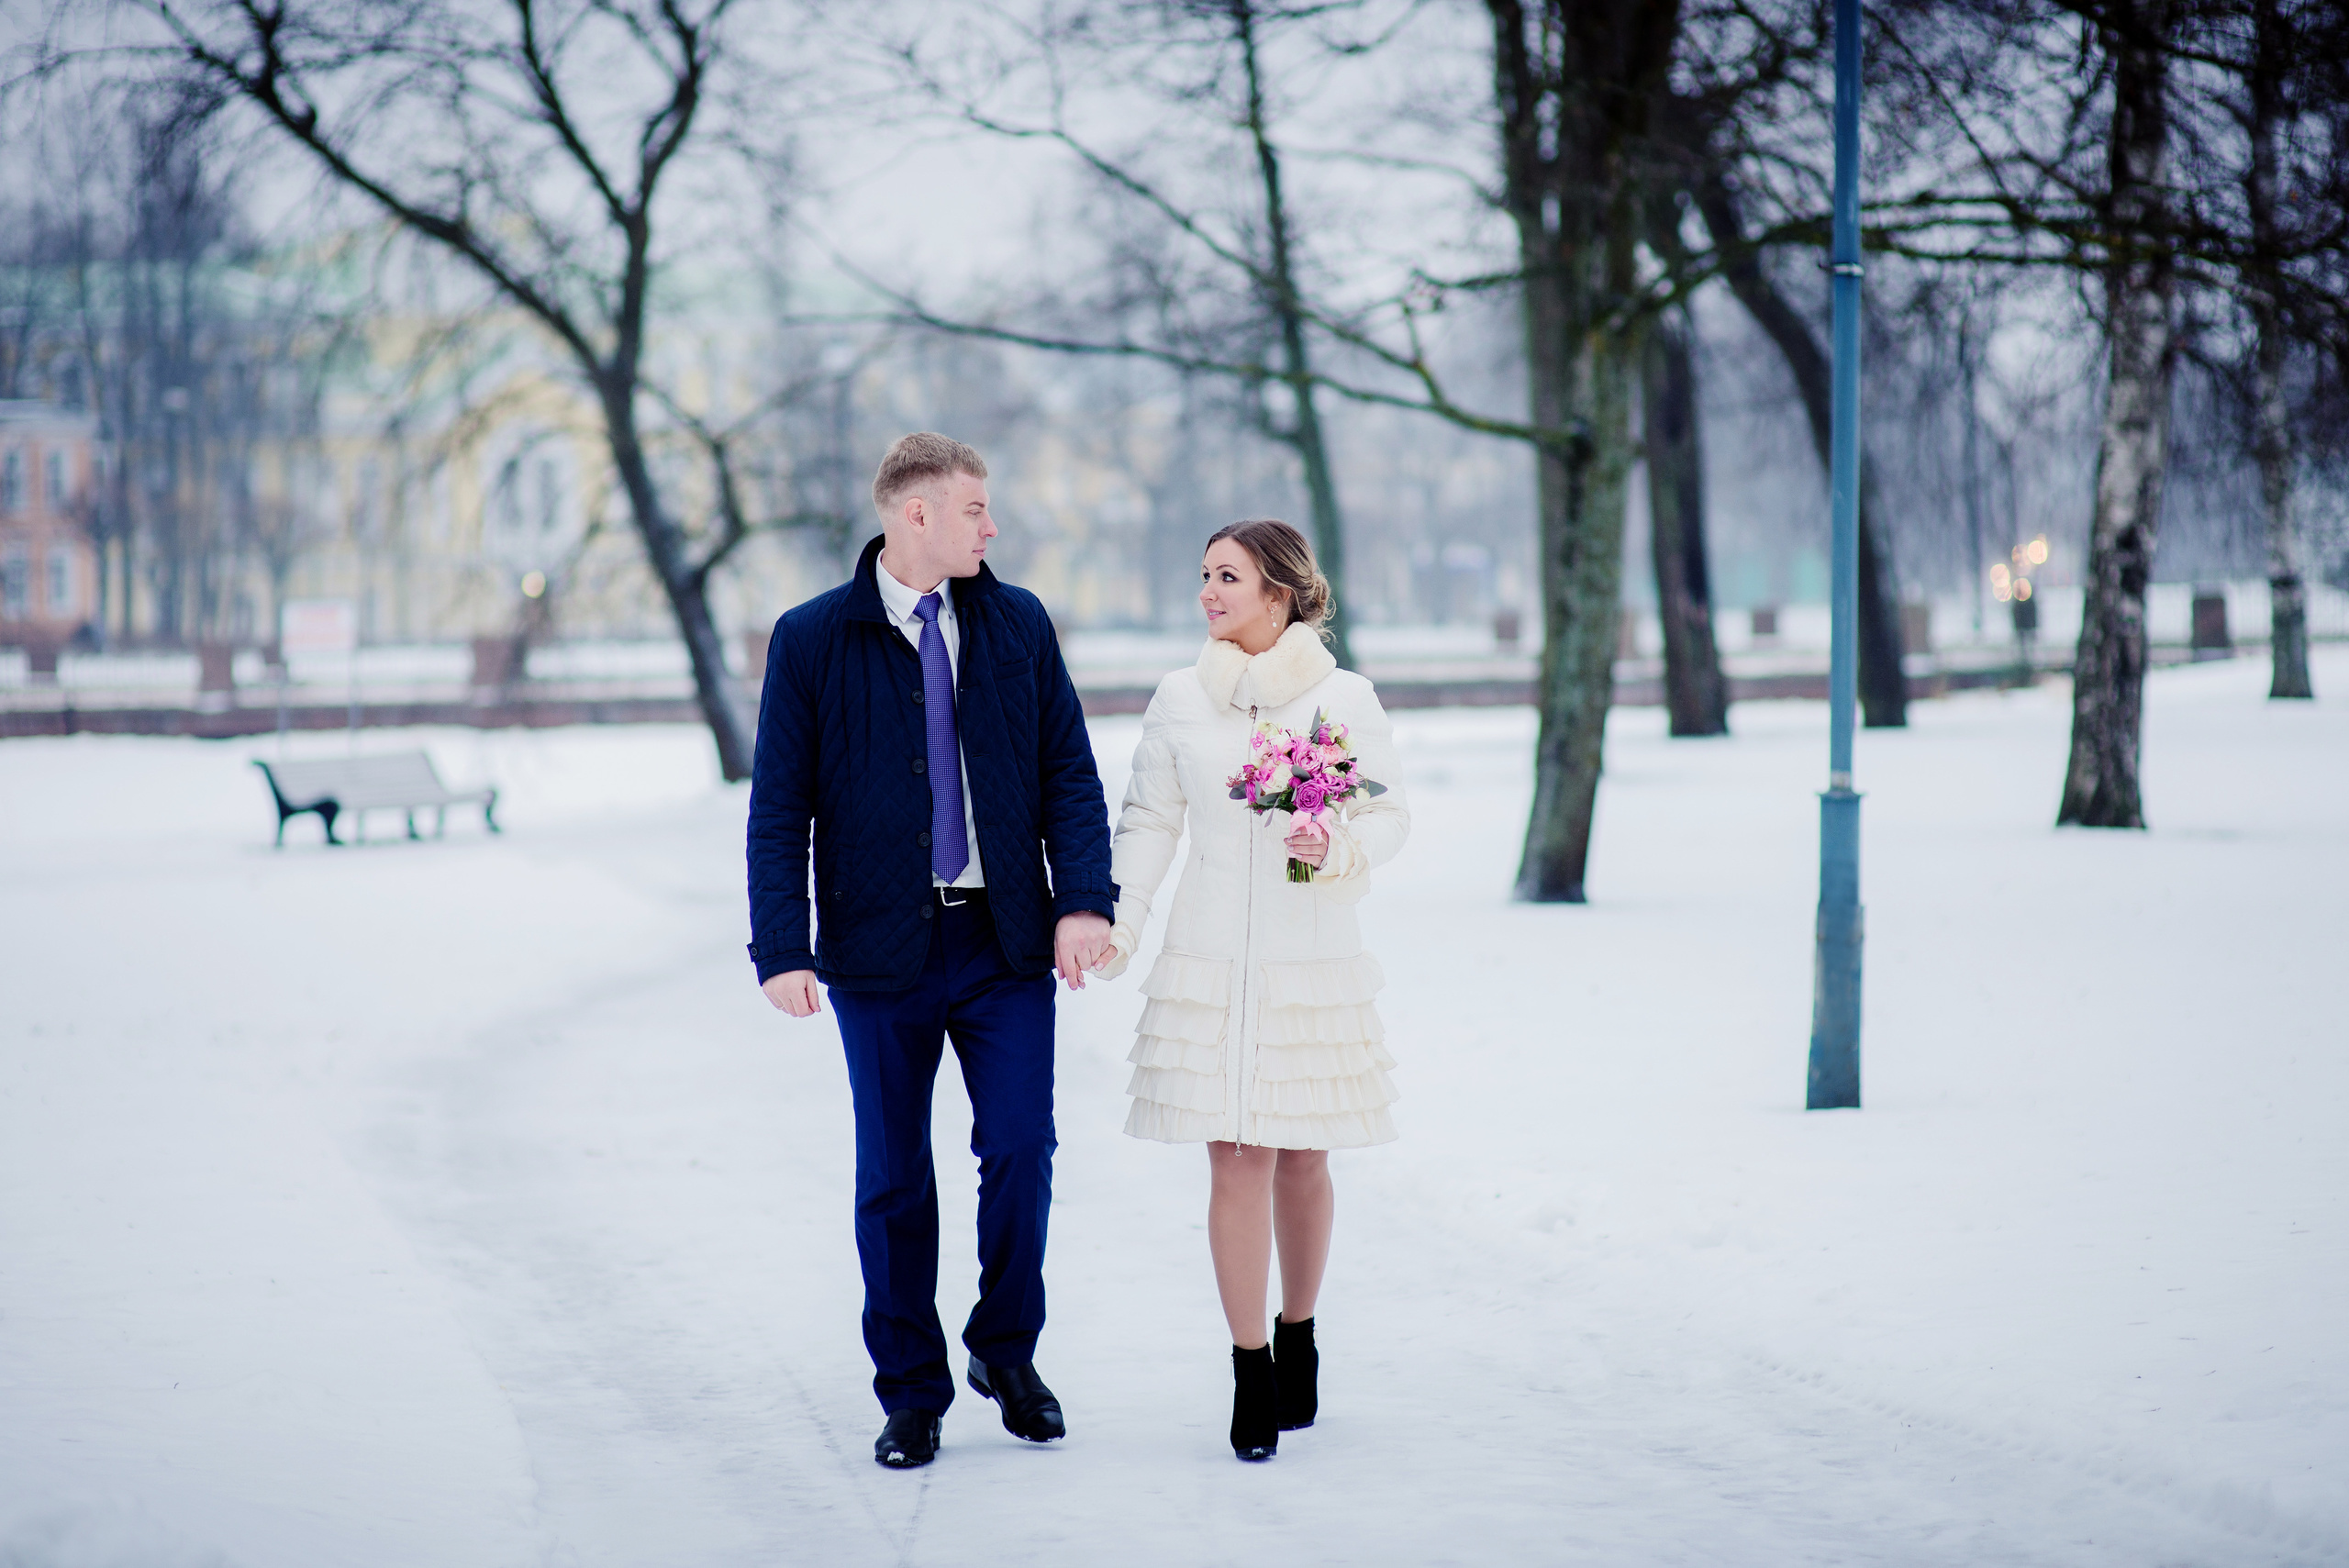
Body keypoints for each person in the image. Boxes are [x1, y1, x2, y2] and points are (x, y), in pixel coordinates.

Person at [745, 432, 1118, 1470]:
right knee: (893, 1176)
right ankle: (911, 1392)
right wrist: (782, 944)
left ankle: (1005, 1349)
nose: (990, 527)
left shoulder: (1016, 622)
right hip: (875, 952)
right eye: (973, 510)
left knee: (1019, 1150)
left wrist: (1083, 901)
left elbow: (1069, 777)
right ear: (915, 514)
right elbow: (779, 807)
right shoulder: (813, 637)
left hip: (1003, 945)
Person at [1096, 518, 1410, 1461]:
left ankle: (1299, 1330)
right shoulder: (1178, 696)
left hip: (1310, 962)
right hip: (1209, 961)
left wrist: (1336, 844)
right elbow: (1148, 819)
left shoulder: (1342, 695)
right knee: (1234, 1156)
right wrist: (1122, 921)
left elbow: (1387, 812)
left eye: (1226, 575)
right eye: (1202, 574)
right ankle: (1248, 1367)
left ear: (1279, 588)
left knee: (1303, 1158)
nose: (1207, 591)